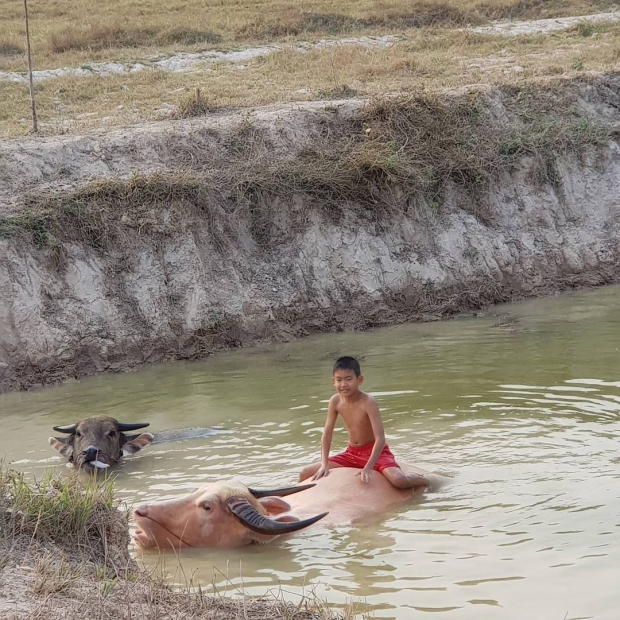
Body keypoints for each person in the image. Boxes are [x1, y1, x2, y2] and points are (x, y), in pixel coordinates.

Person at [298, 356, 429, 489]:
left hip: (375, 453)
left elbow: (380, 438)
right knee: (305, 473)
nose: (343, 384)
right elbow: (326, 434)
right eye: (339, 380)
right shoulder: (335, 401)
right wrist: (324, 463)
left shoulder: (368, 402)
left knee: (399, 481)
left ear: (359, 380)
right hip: (351, 453)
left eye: (349, 379)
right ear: (333, 381)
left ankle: (423, 479)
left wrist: (369, 467)